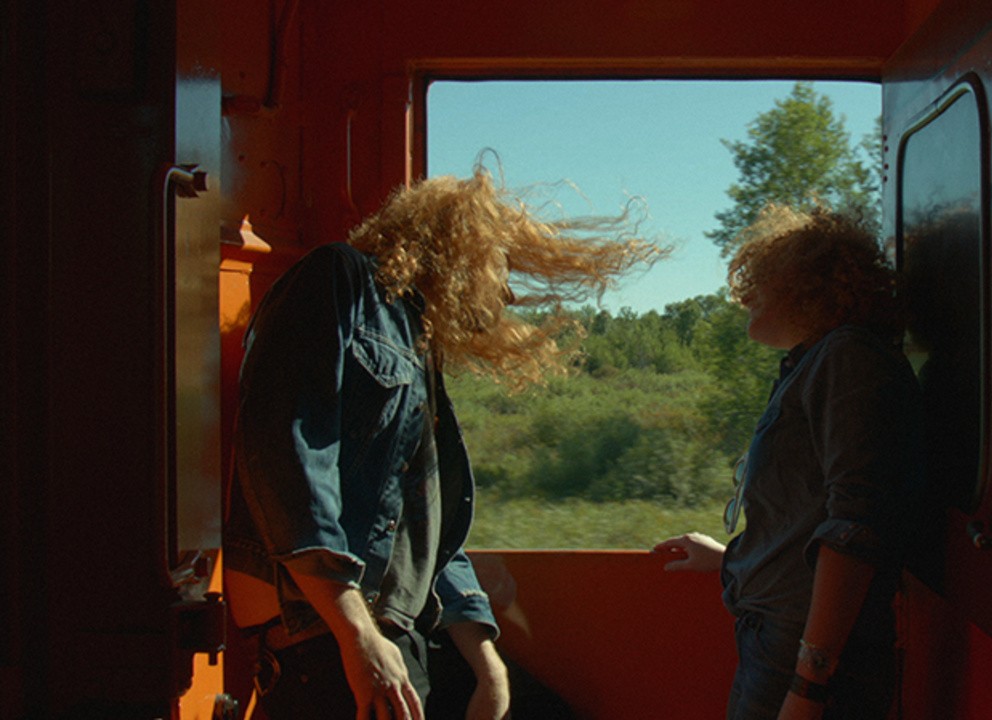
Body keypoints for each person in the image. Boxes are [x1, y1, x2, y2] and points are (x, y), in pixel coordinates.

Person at [223, 165, 660, 720]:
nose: (507, 292)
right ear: (463, 250)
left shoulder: (418, 342)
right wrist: (357, 635)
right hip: (323, 633)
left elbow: (429, 537)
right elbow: (288, 460)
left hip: (390, 630)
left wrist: (486, 661)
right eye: (501, 266)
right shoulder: (340, 279)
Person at [654, 204, 923, 720]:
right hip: (777, 640)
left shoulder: (848, 359)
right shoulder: (819, 363)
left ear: (809, 287)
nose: (745, 296)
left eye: (762, 281)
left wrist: (808, 684)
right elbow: (804, 513)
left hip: (800, 654)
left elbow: (854, 526)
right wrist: (730, 559)